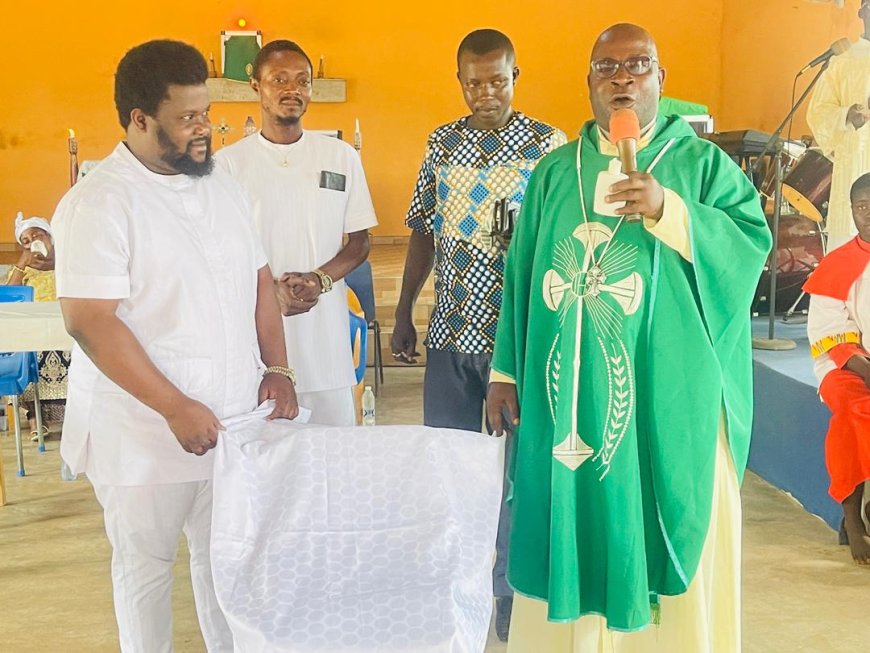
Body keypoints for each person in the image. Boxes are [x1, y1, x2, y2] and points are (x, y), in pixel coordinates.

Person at [486, 24, 770, 651]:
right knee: (578, 512)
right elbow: (526, 273)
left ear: (660, 81)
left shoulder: (700, 165)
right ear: (589, 82)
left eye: (638, 65)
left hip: (672, 397)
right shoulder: (557, 173)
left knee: (665, 510)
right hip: (572, 401)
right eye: (606, 67)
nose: (622, 77)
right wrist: (506, 371)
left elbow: (752, 244)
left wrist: (671, 208)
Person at [52, 40, 298, 651]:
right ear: (139, 119)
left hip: (231, 424)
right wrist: (173, 406)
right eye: (187, 119)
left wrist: (279, 367)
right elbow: (90, 320)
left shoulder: (221, 185)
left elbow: (259, 279)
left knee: (227, 568)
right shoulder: (100, 202)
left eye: (206, 114)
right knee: (146, 571)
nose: (204, 131)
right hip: (143, 433)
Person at [389, 28, 566, 640]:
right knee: (450, 463)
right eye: (473, 82)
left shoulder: (548, 147)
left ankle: (509, 589)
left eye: (497, 79)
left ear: (516, 76)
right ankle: (454, 584)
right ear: (459, 81)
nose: (485, 92)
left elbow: (560, 242)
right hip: (449, 332)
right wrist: (404, 308)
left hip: (515, 339)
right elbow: (422, 229)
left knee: (513, 472)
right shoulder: (443, 142)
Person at [216, 40, 377, 427]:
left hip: (327, 343)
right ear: (256, 85)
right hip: (256, 350)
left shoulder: (340, 157)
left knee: (332, 463)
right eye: (279, 79)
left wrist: (319, 280)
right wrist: (270, 289)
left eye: (302, 80)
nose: (292, 89)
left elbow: (359, 242)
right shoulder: (227, 165)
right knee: (267, 469)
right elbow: (218, 253)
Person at [804, 172, 870, 566]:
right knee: (854, 410)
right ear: (851, 211)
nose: (869, 215)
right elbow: (831, 334)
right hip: (846, 364)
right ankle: (852, 514)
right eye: (861, 207)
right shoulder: (840, 263)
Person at [807, 0, 870, 251]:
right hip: (853, 169)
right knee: (849, 258)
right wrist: (846, 116)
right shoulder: (843, 60)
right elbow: (817, 113)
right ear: (862, 11)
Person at [6, 212, 69, 439]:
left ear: (50, 236)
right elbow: (9, 296)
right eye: (25, 240)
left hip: (67, 324)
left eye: (37, 234)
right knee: (31, 353)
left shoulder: (68, 258)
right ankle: (35, 417)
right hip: (36, 328)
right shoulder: (26, 267)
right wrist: (22, 263)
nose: (32, 241)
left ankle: (75, 416)